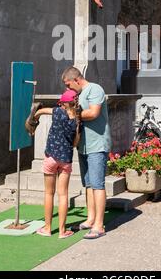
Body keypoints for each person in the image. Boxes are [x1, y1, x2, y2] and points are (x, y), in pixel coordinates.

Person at [62, 66, 111, 239]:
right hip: (83, 145)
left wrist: (73, 114)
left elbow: (93, 113)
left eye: (68, 85)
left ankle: (99, 225)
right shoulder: (80, 93)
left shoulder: (95, 89)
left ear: (76, 79)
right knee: (89, 184)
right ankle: (91, 219)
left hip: (97, 145)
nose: (67, 89)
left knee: (97, 184)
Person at [31, 89, 80, 239]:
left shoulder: (57, 112)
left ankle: (47, 228)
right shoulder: (77, 121)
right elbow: (75, 143)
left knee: (48, 193)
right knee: (63, 194)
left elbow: (42, 111)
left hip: (51, 157)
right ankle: (62, 231)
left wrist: (35, 115)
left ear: (63, 104)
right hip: (65, 160)